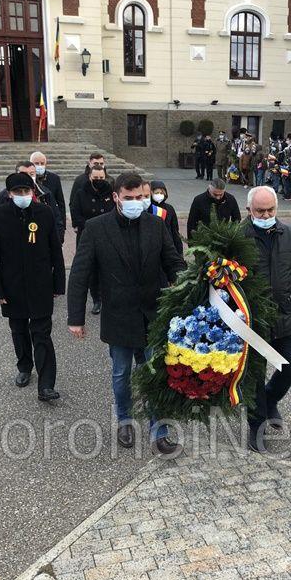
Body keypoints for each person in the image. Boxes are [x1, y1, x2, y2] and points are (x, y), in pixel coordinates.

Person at [67, 172, 186, 455]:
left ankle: (160, 431)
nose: (136, 202)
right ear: (116, 197)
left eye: (141, 197)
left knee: (155, 373)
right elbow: (80, 273)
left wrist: (188, 285)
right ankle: (125, 420)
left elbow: (173, 262)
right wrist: (75, 318)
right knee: (121, 374)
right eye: (129, 198)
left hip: (152, 314)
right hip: (119, 316)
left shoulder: (156, 225)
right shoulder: (96, 228)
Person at [242, 186, 291, 453]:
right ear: (249, 210)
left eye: (270, 210)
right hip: (252, 319)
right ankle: (256, 427)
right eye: (260, 211)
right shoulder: (238, 237)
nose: (266, 215)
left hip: (284, 314)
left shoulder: (289, 234)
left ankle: (270, 397)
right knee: (254, 375)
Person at [0, 173, 65, 402]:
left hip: (41, 284)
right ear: (9, 194)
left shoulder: (44, 213)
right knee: (19, 330)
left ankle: (46, 385)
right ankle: (24, 366)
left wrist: (58, 283)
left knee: (42, 334)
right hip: (12, 287)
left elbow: (55, 252)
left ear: (33, 192)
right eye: (18, 192)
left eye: (26, 191)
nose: (23, 196)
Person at [69, 166, 114, 315]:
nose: (99, 181)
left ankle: (109, 296)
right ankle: (97, 299)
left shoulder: (111, 192)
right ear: (90, 177)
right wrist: (90, 227)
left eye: (101, 178)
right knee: (91, 270)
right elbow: (75, 213)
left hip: (108, 235)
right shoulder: (81, 193)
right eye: (96, 178)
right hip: (87, 236)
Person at [30, 151, 67, 244]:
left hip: (51, 218)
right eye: (36, 163)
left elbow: (60, 203)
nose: (39, 166)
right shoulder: (28, 178)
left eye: (42, 163)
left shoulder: (54, 178)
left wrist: (62, 227)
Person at [147, 181, 182, 256]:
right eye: (156, 193)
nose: (159, 195)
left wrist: (179, 252)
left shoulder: (169, 208)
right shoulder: (147, 208)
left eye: (161, 193)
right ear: (150, 193)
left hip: (168, 244)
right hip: (151, 246)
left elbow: (174, 230)